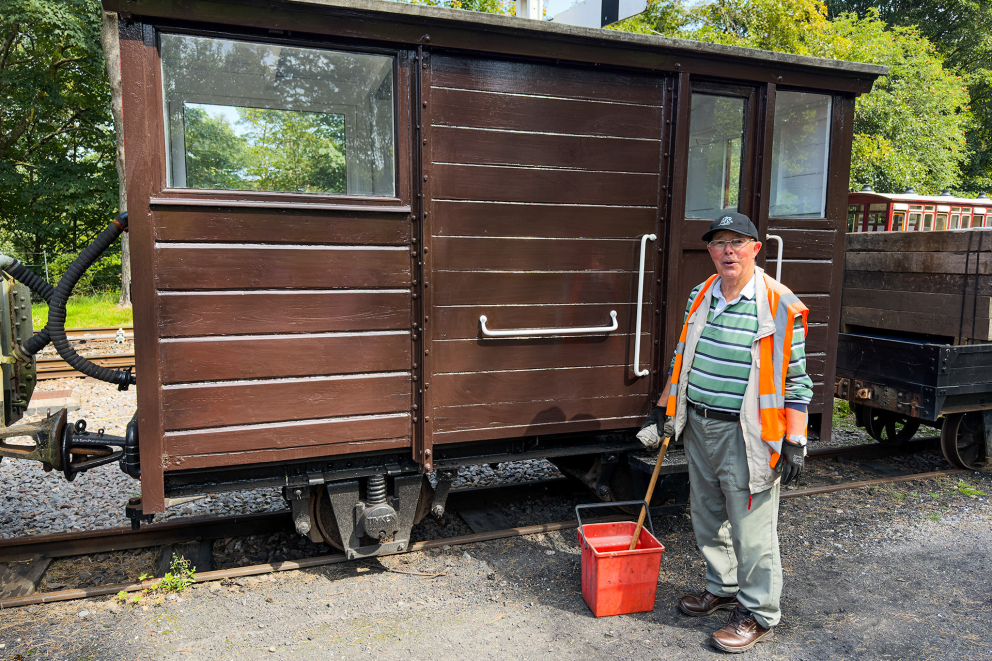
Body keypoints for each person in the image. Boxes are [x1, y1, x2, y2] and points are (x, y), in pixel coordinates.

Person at [637, 211, 812, 654]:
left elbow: (796, 380)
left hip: (747, 434)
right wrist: (664, 409)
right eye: (719, 243)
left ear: (756, 248)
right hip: (698, 423)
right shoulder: (702, 295)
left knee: (752, 529)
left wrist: (795, 439)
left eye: (737, 242)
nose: (727, 251)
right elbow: (684, 357)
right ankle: (724, 586)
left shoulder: (780, 304)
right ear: (710, 251)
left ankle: (759, 612)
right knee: (707, 514)